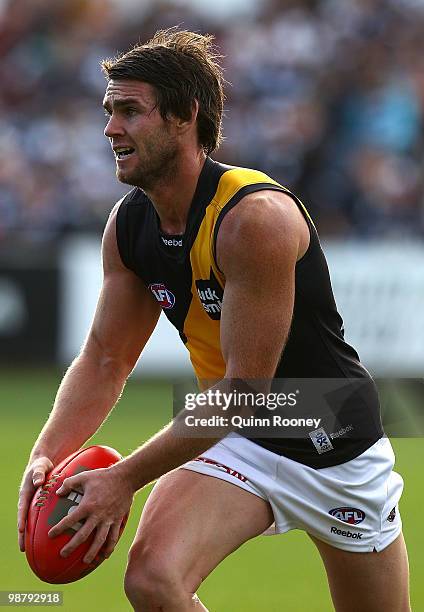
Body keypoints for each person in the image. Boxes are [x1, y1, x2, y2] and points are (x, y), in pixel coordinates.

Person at [18, 29, 410, 611]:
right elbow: (105, 357)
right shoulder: (130, 226)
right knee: (152, 580)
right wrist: (47, 452)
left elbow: (248, 390)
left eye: (130, 111)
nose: (110, 129)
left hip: (334, 439)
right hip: (239, 434)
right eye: (108, 112)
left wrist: (124, 478)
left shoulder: (255, 219)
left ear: (185, 116)